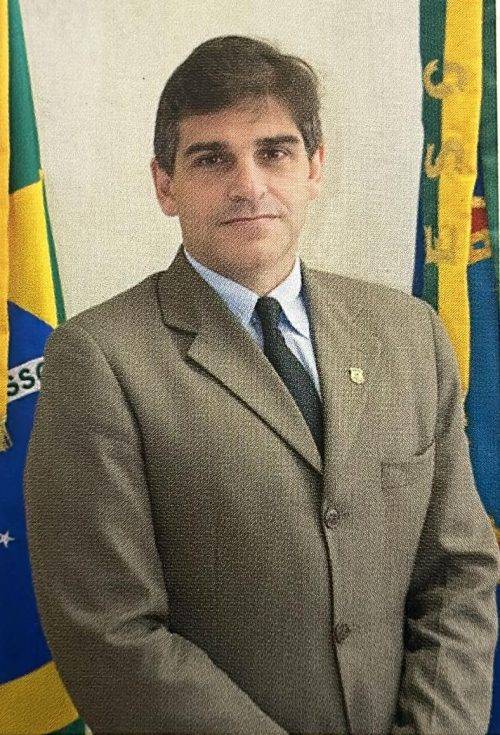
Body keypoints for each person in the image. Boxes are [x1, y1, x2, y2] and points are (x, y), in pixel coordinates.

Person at [24, 35, 499, 735]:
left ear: (315, 167)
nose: (248, 185)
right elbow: (111, 635)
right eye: (211, 158)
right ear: (164, 184)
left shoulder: (409, 336)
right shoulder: (100, 360)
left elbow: (458, 574)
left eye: (274, 152)